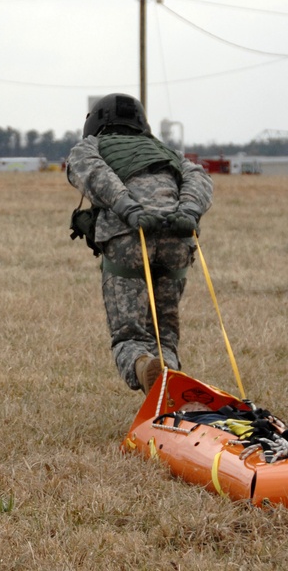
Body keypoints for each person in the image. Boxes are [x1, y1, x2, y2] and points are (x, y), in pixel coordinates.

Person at [65, 93, 213, 393]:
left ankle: (145, 366)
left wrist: (128, 208)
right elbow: (199, 177)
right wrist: (187, 211)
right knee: (165, 334)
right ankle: (168, 392)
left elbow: (93, 173)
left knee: (129, 335)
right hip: (177, 241)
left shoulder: (92, 147)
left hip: (128, 240)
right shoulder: (167, 152)